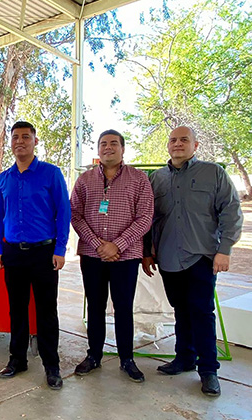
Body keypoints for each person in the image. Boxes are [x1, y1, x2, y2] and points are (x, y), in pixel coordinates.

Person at [142, 126, 243, 397]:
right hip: (168, 256)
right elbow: (149, 218)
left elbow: (231, 211)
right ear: (167, 145)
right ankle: (184, 358)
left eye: (184, 140)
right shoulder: (157, 179)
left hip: (202, 255)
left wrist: (225, 250)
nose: (178, 144)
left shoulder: (213, 173)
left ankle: (208, 370)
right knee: (180, 310)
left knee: (201, 311)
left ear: (195, 145)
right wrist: (147, 251)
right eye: (173, 140)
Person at [0, 121, 71, 390]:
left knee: (47, 311)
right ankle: (18, 359)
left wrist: (60, 250)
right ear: (10, 143)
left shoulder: (51, 174)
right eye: (15, 137)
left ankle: (51, 365)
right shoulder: (4, 179)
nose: (20, 141)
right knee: (17, 310)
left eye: (26, 137)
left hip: (44, 253)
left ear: (35, 141)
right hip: (13, 254)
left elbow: (63, 212)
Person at [70, 129, 154, 382]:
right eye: (103, 144)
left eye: (114, 144)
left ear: (123, 149)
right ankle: (93, 355)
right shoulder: (84, 181)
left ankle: (126, 359)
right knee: (95, 307)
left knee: (123, 308)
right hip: (92, 255)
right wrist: (98, 244)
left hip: (125, 257)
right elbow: (75, 215)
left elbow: (145, 218)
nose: (108, 148)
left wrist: (117, 245)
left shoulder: (139, 180)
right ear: (97, 150)